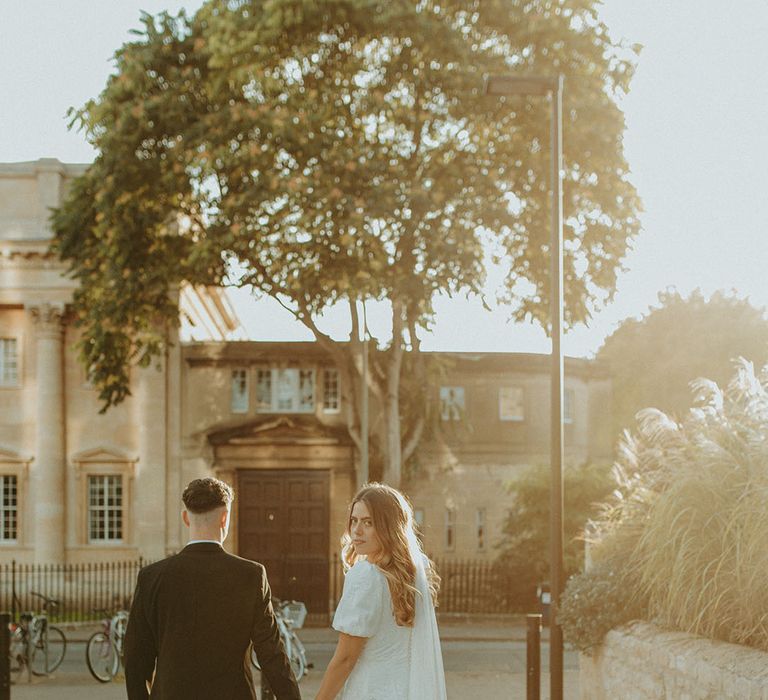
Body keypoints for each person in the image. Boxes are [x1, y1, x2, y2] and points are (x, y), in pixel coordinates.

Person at [124, 477, 301, 700]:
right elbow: (272, 655)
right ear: (225, 518)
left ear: (186, 518)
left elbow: (135, 659)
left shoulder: (152, 577)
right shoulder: (251, 575)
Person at [315, 482, 447, 700]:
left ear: (389, 528)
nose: (356, 531)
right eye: (354, 521)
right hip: (408, 690)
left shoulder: (365, 576)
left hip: (371, 691)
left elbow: (346, 659)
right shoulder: (414, 574)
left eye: (368, 523)